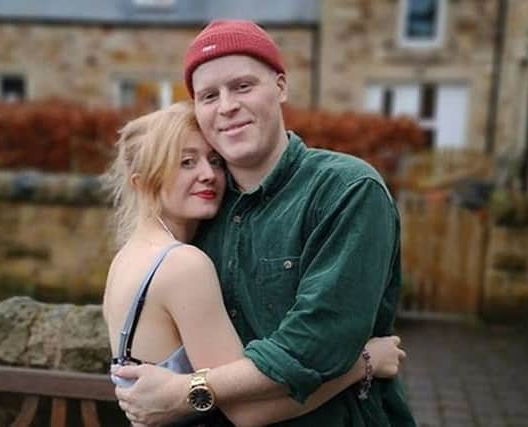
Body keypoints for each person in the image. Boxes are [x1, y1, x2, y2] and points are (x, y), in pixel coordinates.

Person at [113, 19, 416, 426]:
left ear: (281, 86)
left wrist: (188, 392)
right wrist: (366, 360)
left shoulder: (346, 191)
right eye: (208, 96)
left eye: (242, 86)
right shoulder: (204, 211)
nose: (226, 106)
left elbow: (311, 350)